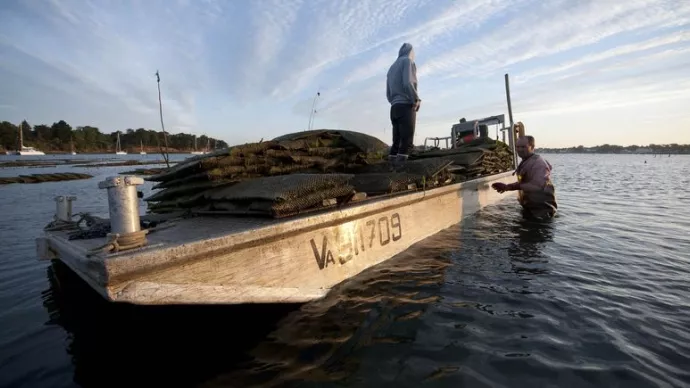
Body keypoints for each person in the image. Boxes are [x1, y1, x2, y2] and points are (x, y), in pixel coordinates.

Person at [492, 135, 557, 219]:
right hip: (531, 209)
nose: (519, 150)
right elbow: (525, 182)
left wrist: (509, 187)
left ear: (532, 146)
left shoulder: (538, 164)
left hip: (542, 213)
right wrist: (507, 187)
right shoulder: (526, 161)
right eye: (517, 147)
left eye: (523, 147)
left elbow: (537, 186)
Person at [386, 42, 421, 166]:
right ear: (410, 51)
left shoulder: (391, 68)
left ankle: (390, 169)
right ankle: (401, 173)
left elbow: (388, 93)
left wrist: (394, 101)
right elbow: (408, 83)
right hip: (406, 105)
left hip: (394, 107)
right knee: (406, 142)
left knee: (396, 141)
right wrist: (415, 99)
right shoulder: (407, 62)